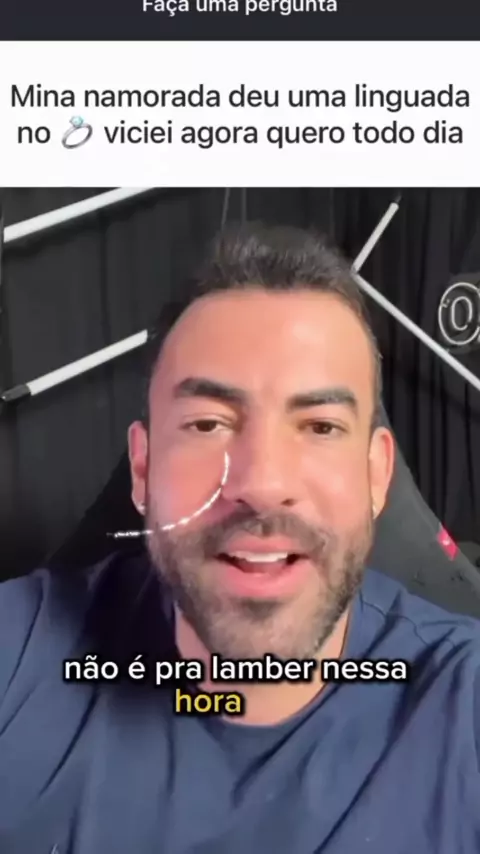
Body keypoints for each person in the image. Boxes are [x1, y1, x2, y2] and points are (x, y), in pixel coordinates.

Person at [0, 223, 479, 854]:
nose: (262, 484)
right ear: (143, 469)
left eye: (320, 426)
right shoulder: (20, 652)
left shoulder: (464, 704)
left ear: (376, 477)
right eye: (208, 424)